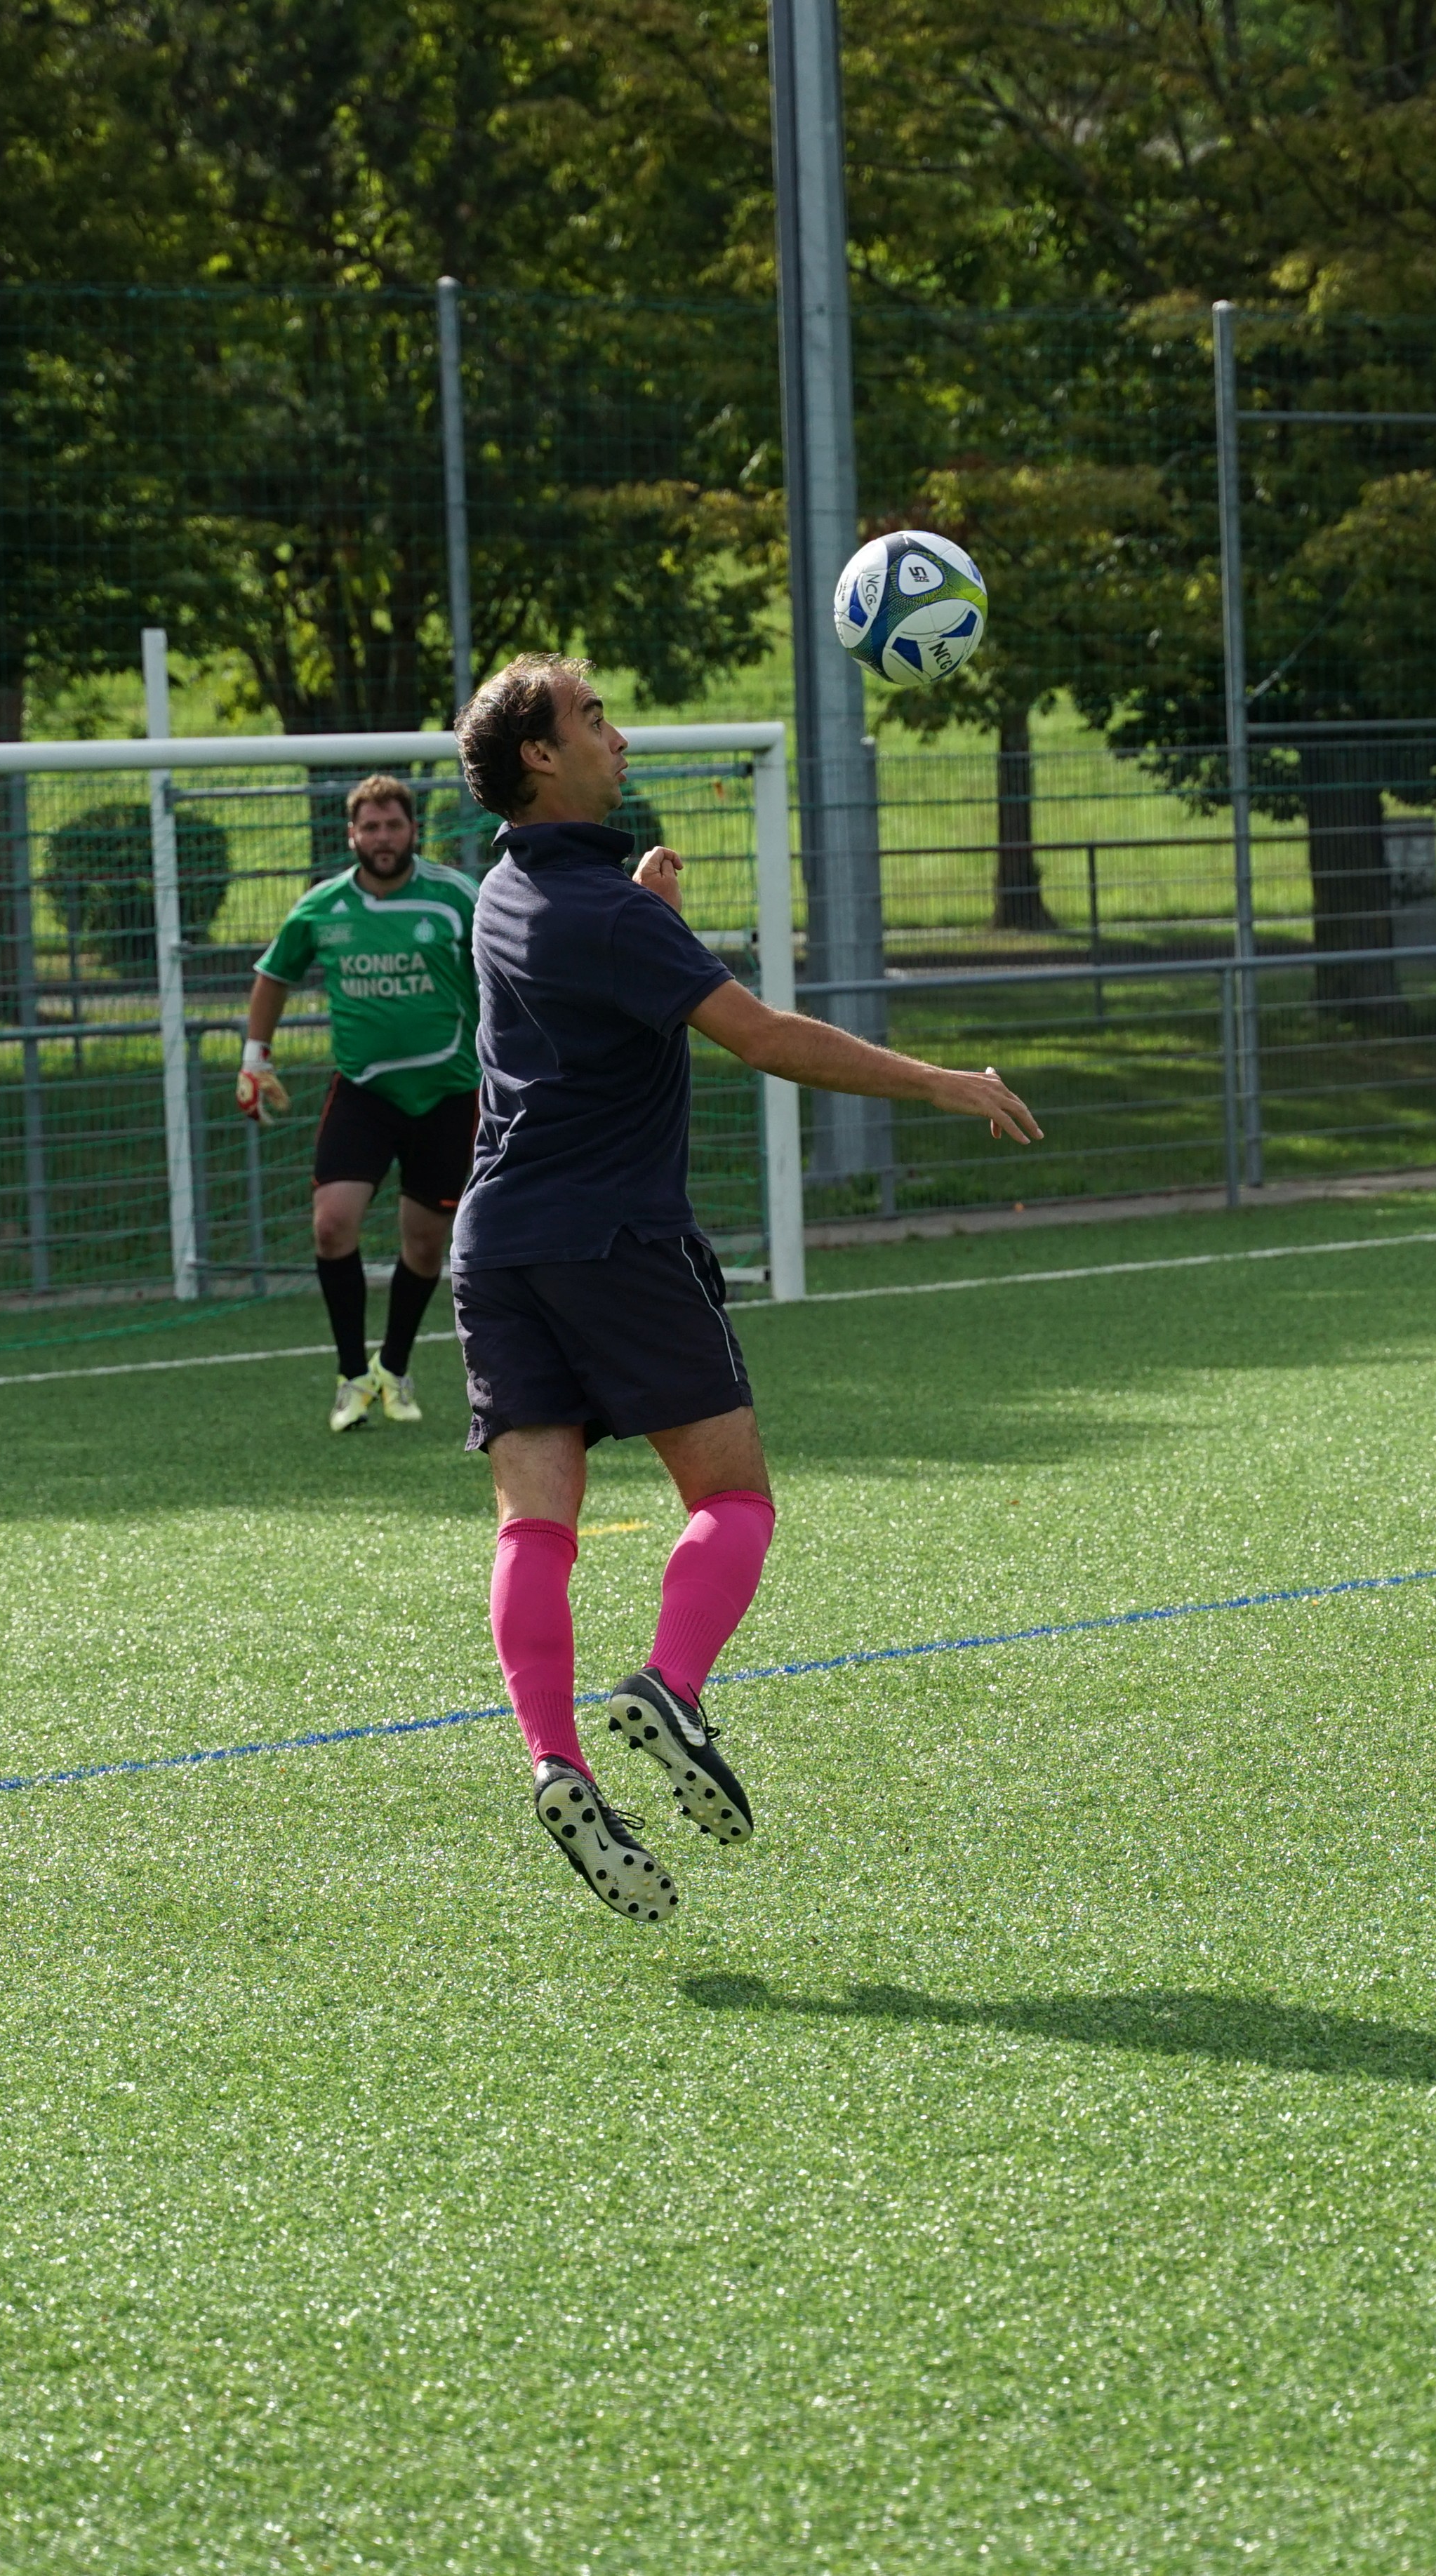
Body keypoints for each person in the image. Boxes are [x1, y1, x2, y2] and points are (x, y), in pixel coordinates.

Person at [450, 655, 1043, 1919]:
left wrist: (648, 912)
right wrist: (940, 1081)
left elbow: (590, 973)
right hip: (616, 1239)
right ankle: (668, 1686)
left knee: (534, 1524)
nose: (618, 734)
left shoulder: (502, 888)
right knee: (732, 1495)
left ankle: (555, 1759)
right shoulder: (615, 917)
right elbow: (764, 1037)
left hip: (494, 1244)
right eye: (592, 717)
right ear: (540, 756)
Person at [238, 773, 481, 1432]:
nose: (382, 838)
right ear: (352, 835)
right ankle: (351, 1377)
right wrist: (256, 1058)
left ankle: (393, 1370)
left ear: (413, 830)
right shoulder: (323, 907)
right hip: (363, 1092)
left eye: (393, 825)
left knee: (425, 1246)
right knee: (331, 1223)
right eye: (370, 827)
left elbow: (503, 970)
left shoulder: (456, 898)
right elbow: (273, 975)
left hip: (448, 1092)